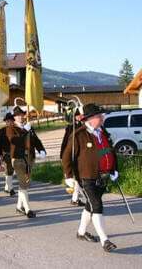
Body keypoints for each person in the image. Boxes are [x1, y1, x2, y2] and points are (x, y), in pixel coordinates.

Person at [62, 104, 118, 252]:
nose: (102, 118)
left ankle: (81, 232)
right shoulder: (78, 135)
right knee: (97, 206)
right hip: (86, 177)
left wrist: (114, 169)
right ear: (90, 119)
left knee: (90, 206)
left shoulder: (103, 132)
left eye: (101, 115)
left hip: (103, 176)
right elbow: (67, 157)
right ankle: (105, 240)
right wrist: (68, 176)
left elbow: (111, 151)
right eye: (99, 116)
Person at [7, 106, 46, 219]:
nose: (21, 117)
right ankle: (27, 209)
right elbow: (15, 141)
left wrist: (42, 149)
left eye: (22, 115)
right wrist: (25, 130)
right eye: (18, 115)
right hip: (18, 158)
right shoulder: (11, 128)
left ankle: (19, 206)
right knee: (23, 182)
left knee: (25, 182)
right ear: (14, 118)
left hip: (29, 157)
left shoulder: (29, 128)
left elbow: (36, 140)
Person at [60, 108, 85, 207]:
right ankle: (75, 197)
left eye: (81, 115)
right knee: (76, 178)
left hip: (81, 155)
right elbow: (65, 142)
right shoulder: (71, 128)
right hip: (72, 155)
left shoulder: (84, 125)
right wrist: (62, 154)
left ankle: (75, 198)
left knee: (78, 178)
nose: (80, 117)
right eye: (79, 115)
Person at [0, 112, 16, 196]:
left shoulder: (16, 130)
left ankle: (6, 187)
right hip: (5, 153)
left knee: (12, 169)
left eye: (11, 121)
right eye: (8, 121)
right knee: (8, 170)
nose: (9, 122)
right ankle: (10, 188)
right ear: (5, 122)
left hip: (15, 153)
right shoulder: (2, 131)